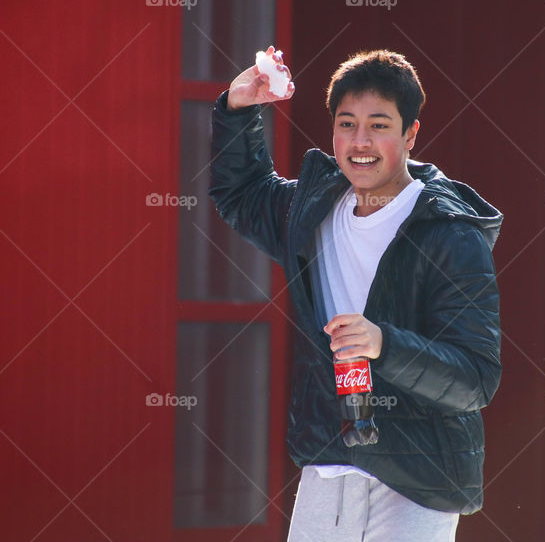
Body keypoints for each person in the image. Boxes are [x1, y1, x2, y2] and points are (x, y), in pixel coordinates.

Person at [209, 47, 503, 541]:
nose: (359, 142)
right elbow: (241, 193)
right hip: (328, 465)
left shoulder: (451, 234)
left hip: (418, 479)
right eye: (346, 124)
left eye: (379, 125)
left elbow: (475, 378)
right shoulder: (312, 208)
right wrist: (239, 107)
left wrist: (382, 344)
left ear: (411, 133)